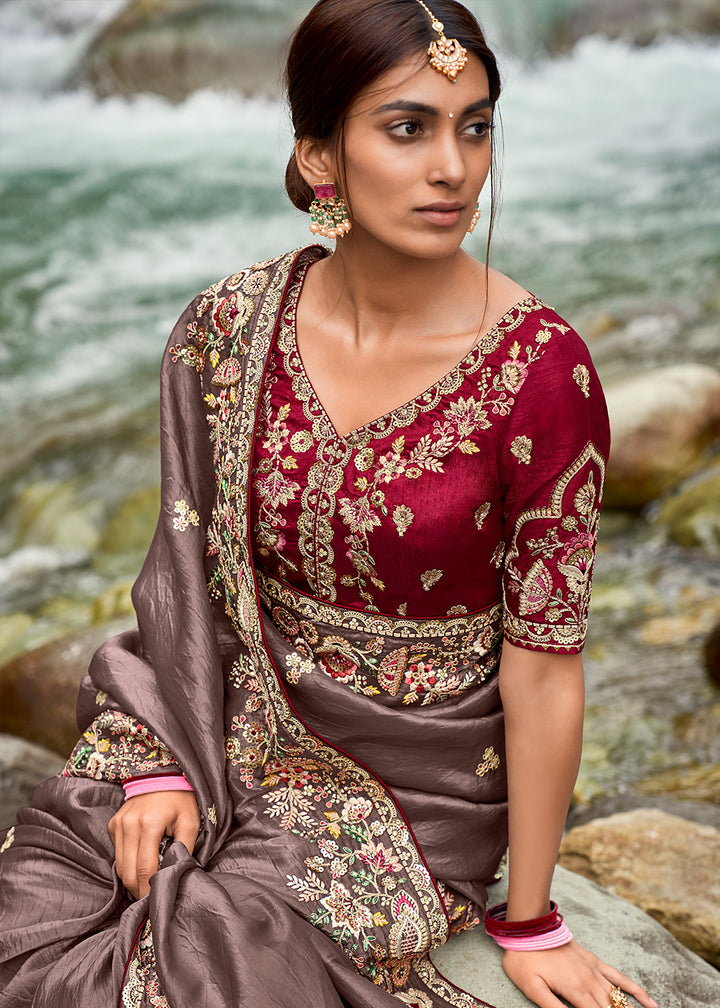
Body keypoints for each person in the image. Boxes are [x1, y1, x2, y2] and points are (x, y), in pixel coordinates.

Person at [0, 2, 657, 1007]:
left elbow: (544, 665)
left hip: (415, 790)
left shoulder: (541, 374)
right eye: (409, 128)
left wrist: (530, 918)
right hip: (225, 726)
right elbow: (187, 582)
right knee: (40, 909)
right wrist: (162, 763)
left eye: (474, 126)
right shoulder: (226, 329)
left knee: (192, 960)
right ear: (319, 156)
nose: (454, 167)